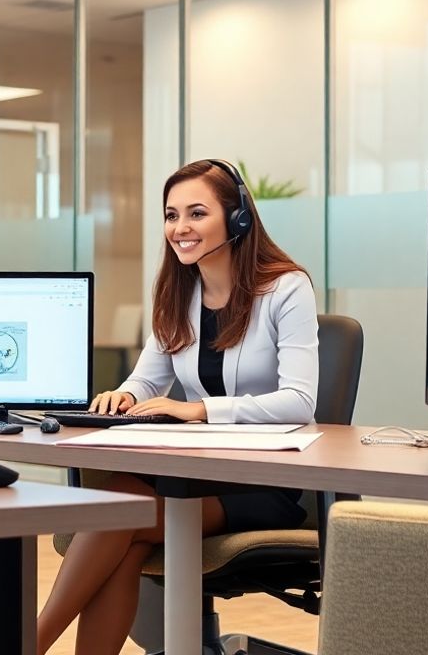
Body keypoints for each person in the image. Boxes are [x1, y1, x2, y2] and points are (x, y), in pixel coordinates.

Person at [36, 159, 317, 655]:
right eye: (171, 215)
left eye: (196, 213)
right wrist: (127, 394)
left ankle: (26, 644)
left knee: (120, 510)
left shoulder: (285, 288)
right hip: (200, 474)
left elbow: (300, 400)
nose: (180, 228)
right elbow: (149, 376)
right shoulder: (179, 291)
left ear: (238, 219)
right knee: (126, 530)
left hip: (270, 480)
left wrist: (203, 411)